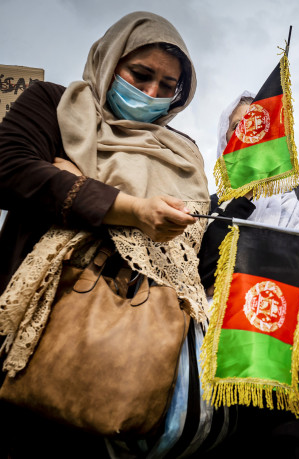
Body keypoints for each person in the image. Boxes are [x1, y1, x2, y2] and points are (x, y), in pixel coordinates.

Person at [0, 12, 209, 457]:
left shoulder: (181, 153)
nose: (152, 93)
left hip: (137, 347)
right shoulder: (53, 105)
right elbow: (11, 169)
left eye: (167, 86)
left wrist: (74, 178)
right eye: (140, 74)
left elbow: (195, 245)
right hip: (36, 327)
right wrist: (131, 208)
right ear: (110, 59)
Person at [198, 92, 299, 458]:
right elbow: (206, 267)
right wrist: (244, 200)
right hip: (227, 353)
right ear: (226, 138)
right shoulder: (213, 204)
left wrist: (252, 257)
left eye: (262, 125)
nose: (252, 133)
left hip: (297, 350)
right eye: (241, 126)